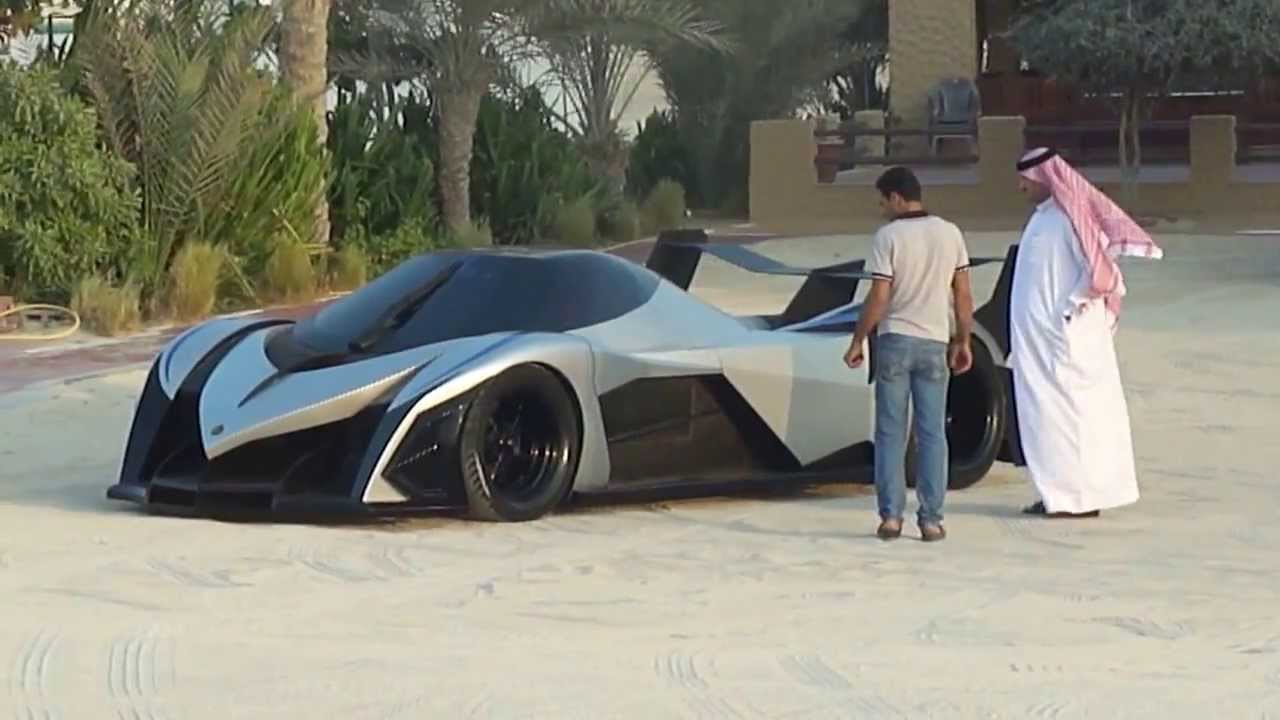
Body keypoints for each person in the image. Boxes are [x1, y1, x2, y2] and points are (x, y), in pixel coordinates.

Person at [1009, 147, 1163, 518]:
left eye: (1026, 181)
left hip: (1064, 341)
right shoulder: (1043, 219)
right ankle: (1059, 494)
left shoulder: (1069, 219)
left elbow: (1101, 272)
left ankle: (1077, 497)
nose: (1021, 188)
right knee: (1046, 418)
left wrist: (1071, 308)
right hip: (1040, 345)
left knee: (1071, 418)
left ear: (1045, 179)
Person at [844, 166, 975, 542]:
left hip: (896, 340)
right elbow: (963, 294)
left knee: (890, 432)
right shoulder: (950, 233)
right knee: (932, 433)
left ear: (897, 198)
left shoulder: (888, 237)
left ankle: (891, 517)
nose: (882, 208)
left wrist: (858, 339)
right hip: (935, 341)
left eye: (883, 201)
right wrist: (963, 340)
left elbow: (879, 296)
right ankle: (931, 519)